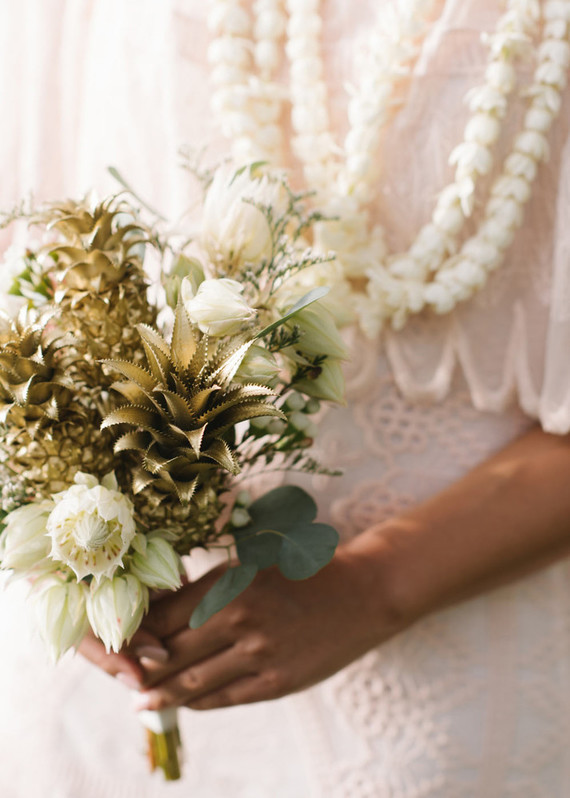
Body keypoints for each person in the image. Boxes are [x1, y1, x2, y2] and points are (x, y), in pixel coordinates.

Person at [1, 0, 570, 796]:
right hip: (93, 684)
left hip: (430, 700)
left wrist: (374, 585)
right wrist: (58, 528)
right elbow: (28, 242)